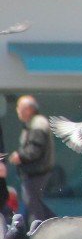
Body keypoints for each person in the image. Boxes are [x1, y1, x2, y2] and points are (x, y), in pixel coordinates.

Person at [9, 95, 55, 223]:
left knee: (34, 205)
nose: (18, 110)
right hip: (32, 173)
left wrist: (20, 156)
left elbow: (35, 149)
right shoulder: (32, 124)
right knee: (33, 204)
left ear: (29, 109)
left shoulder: (37, 124)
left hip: (36, 173)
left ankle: (40, 230)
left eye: (20, 107)